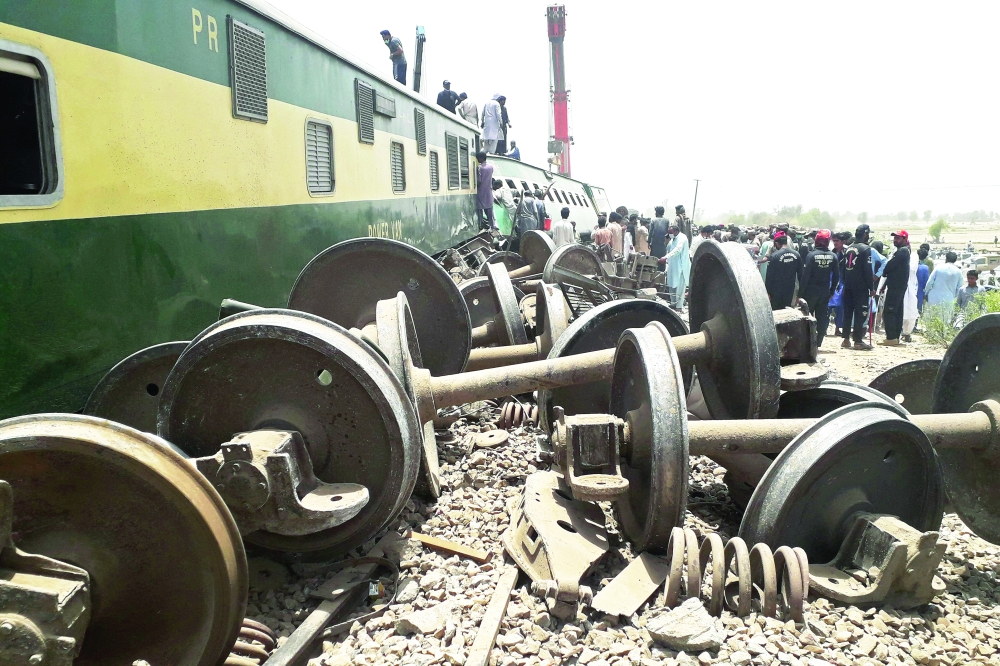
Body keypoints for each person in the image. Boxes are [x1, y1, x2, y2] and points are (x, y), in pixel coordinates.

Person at [800, 229, 840, 347]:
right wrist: (832, 291)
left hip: (810, 292)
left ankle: (807, 343)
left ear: (816, 240)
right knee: (822, 317)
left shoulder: (811, 255)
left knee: (806, 317)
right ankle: (818, 343)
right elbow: (836, 277)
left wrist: (800, 295)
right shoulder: (833, 256)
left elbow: (805, 276)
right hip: (824, 292)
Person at [840, 224, 875, 350]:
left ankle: (845, 339)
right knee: (861, 313)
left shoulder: (849, 248)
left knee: (848, 312)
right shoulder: (866, 249)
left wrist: (844, 283)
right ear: (865, 234)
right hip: (860, 287)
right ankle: (858, 340)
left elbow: (843, 268)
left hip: (848, 285)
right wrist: (871, 288)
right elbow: (867, 270)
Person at [877, 231, 911, 346]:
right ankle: (895, 337)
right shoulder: (901, 251)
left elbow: (891, 266)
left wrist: (885, 270)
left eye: (898, 238)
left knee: (890, 311)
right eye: (895, 238)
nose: (895, 240)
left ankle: (891, 337)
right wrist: (885, 284)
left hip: (897, 286)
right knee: (897, 312)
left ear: (905, 239)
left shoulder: (903, 251)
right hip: (896, 285)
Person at [764, 232, 802, 310]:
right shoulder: (796, 255)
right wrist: (800, 293)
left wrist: (767, 292)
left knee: (776, 312)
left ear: (777, 243)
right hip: (790, 290)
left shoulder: (774, 256)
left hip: (776, 291)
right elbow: (801, 275)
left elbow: (769, 277)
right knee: (787, 310)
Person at [925, 251, 963, 322]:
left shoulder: (939, 268)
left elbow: (930, 282)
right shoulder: (958, 272)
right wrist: (953, 296)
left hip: (934, 296)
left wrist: (926, 293)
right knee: (945, 320)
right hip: (949, 298)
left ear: (946, 259)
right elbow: (959, 288)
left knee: (932, 318)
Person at [664, 224, 691, 309]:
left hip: (681, 267)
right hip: (672, 266)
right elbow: (669, 248)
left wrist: (666, 257)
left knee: (680, 288)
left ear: (676, 231)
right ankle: (673, 303)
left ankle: (679, 306)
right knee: (671, 285)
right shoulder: (673, 239)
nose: (670, 234)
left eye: (671, 233)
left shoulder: (682, 238)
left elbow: (677, 250)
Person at [474, 152, 495, 230]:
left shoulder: (479, 167)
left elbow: (479, 181)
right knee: (489, 211)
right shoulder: (491, 167)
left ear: (481, 158)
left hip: (480, 191)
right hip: (488, 192)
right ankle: (492, 226)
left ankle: (479, 225)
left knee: (479, 210)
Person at [915, 248, 931, 316]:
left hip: (910, 290)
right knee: (918, 311)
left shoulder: (911, 265)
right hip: (920, 292)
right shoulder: (925, 268)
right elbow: (926, 283)